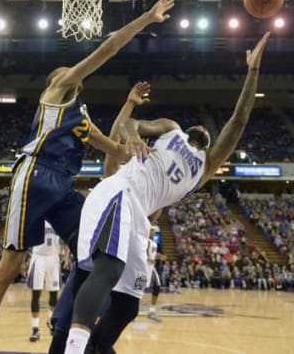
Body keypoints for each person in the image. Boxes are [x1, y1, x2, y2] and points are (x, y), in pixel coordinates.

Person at [0, 0, 175, 354]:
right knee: (12, 262)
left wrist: (137, 134)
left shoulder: (80, 116)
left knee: (95, 252)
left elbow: (114, 150)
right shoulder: (58, 89)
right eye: (64, 71)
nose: (70, 72)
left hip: (63, 186)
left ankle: (70, 328)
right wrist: (147, 18)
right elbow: (108, 47)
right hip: (35, 174)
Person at [63, 32, 271, 354]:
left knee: (128, 306)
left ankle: (95, 349)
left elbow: (239, 119)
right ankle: (73, 348)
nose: (201, 128)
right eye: (198, 127)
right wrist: (131, 137)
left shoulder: (206, 167)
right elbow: (132, 124)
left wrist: (253, 71)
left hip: (139, 218)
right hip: (122, 191)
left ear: (209, 141)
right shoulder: (172, 128)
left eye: (207, 130)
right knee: (108, 271)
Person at [49, 82, 153, 354]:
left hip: (119, 273)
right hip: (92, 267)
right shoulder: (118, 180)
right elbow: (112, 147)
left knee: (97, 343)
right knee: (63, 334)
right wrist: (129, 104)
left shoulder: (150, 195)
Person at [27, 221, 63, 342]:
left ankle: (52, 324)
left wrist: (66, 254)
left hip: (53, 257)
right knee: (35, 294)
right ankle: (35, 329)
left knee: (54, 295)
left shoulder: (58, 218)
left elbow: (65, 238)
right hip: (38, 257)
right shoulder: (38, 217)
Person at [146, 224, 163, 321]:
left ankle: (152, 310)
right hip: (143, 267)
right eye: (151, 230)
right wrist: (148, 259)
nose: (153, 232)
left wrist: (158, 256)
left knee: (157, 286)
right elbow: (140, 253)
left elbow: (152, 254)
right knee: (139, 288)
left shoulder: (154, 242)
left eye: (153, 231)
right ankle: (130, 311)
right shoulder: (145, 241)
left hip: (151, 268)